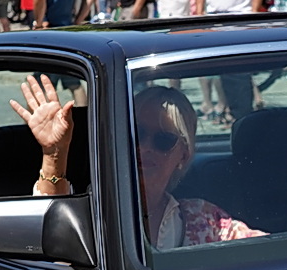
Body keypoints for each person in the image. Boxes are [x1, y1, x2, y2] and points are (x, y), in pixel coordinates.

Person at [22, 76, 262, 247]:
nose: (145, 147)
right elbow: (49, 234)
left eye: (163, 140)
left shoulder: (203, 220)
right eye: (137, 133)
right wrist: (54, 153)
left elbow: (266, 251)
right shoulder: (93, 209)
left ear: (184, 156)